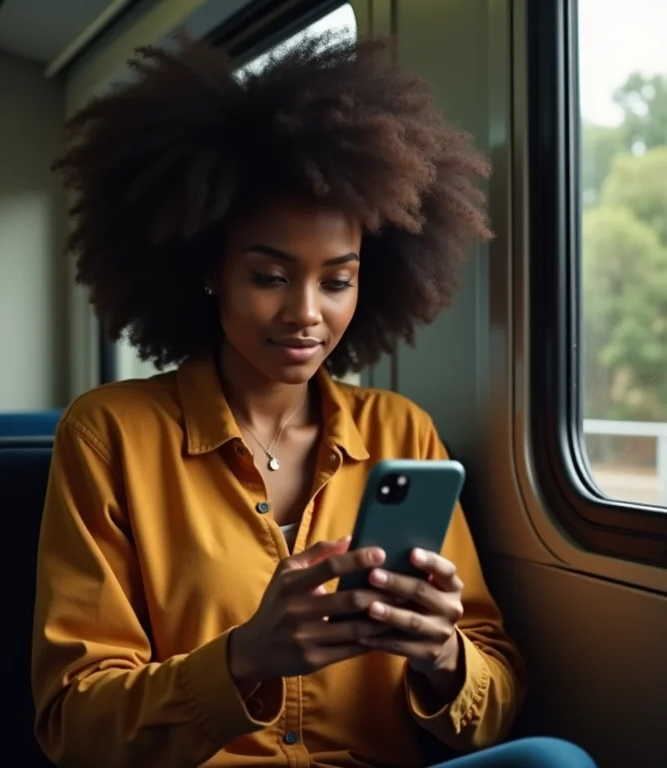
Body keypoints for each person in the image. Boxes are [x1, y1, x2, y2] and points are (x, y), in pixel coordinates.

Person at [31, 30, 596, 768]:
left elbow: (493, 701)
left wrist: (442, 655)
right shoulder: (110, 434)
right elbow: (76, 725)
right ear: (209, 270)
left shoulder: (402, 431)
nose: (307, 313)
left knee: (553, 761)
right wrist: (242, 661)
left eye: (337, 280)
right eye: (270, 276)